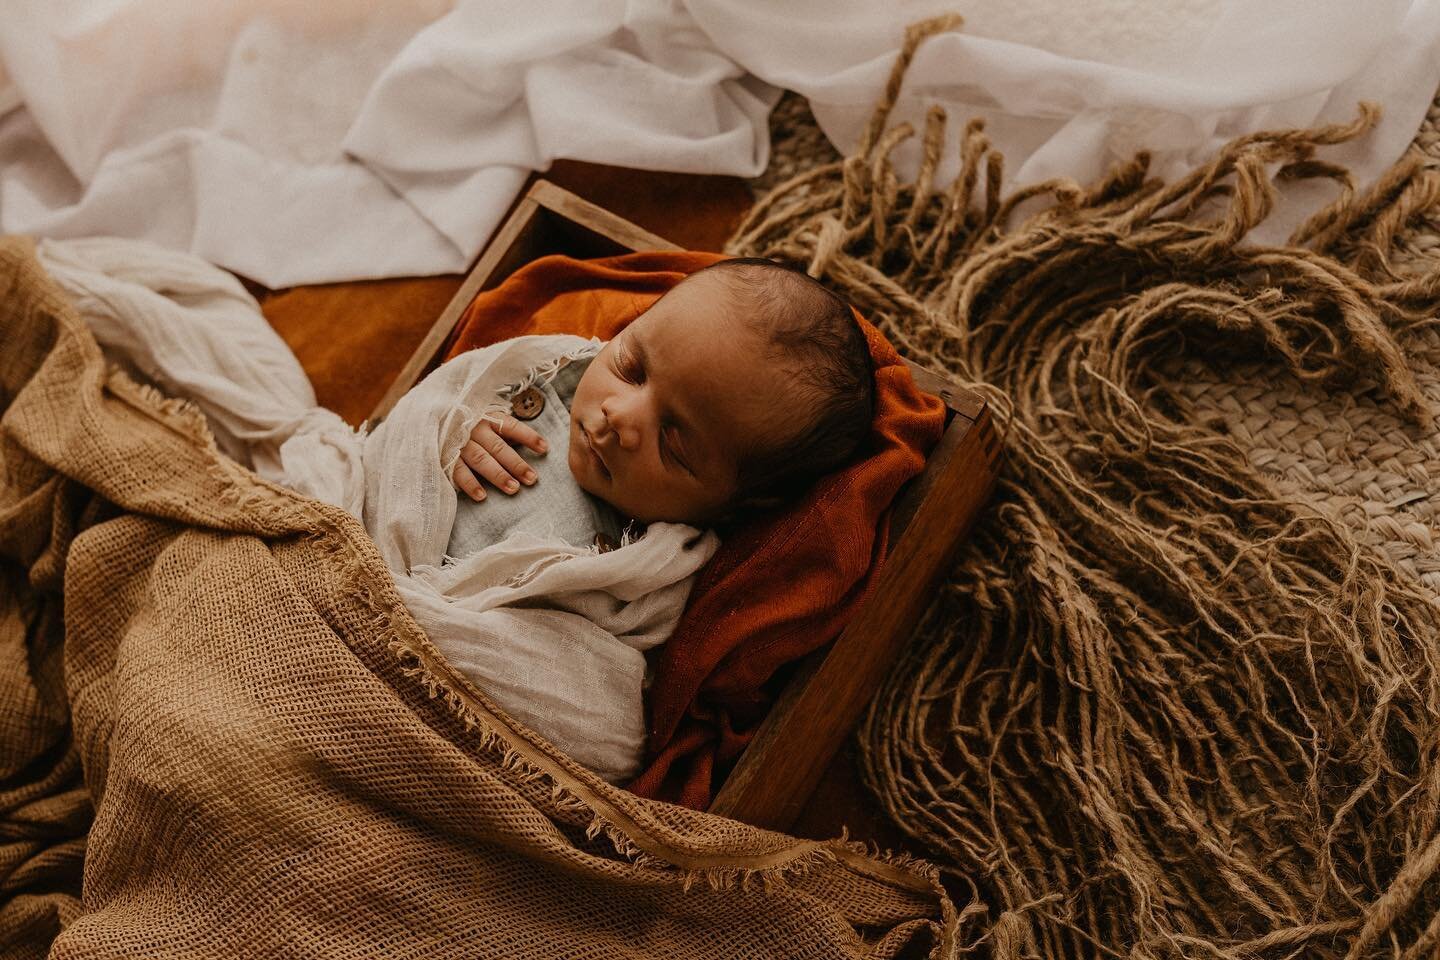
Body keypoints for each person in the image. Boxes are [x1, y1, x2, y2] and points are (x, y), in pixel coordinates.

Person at [444, 257, 876, 557]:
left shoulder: (649, 574)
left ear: (735, 506)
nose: (619, 416)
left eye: (672, 443)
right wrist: (451, 432)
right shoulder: (539, 374)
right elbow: (434, 402)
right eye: (631, 368)